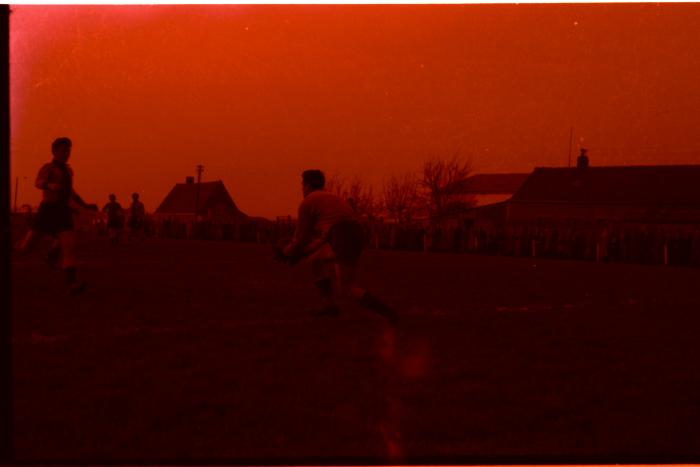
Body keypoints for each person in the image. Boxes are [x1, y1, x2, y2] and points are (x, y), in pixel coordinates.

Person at [275, 169, 398, 324]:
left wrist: (286, 253)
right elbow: (323, 238)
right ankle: (329, 306)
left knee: (347, 288)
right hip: (353, 233)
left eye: (302, 184)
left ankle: (390, 314)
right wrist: (300, 253)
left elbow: (301, 237)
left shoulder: (308, 202)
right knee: (315, 261)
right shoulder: (332, 197)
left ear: (306, 185)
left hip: (343, 235)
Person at [16, 137, 98, 294]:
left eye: (68, 150)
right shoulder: (48, 167)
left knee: (69, 246)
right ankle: (23, 244)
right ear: (54, 151)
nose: (67, 153)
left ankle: (72, 284)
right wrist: (49, 185)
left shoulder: (68, 170)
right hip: (47, 210)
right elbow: (38, 182)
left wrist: (85, 204)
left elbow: (71, 192)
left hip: (63, 210)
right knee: (26, 249)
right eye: (63, 150)